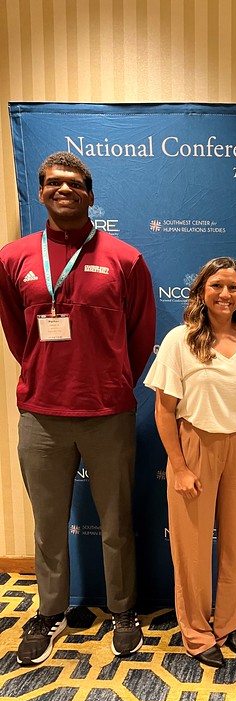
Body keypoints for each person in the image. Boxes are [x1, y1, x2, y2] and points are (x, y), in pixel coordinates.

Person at [0, 151, 156, 665]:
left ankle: (123, 610)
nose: (62, 189)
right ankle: (49, 613)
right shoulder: (14, 257)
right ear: (41, 193)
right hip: (42, 416)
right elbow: (18, 334)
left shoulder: (125, 259)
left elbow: (139, 337)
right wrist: (47, 377)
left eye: (72, 183)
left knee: (116, 521)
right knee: (48, 524)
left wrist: (109, 383)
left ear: (90, 194)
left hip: (107, 413)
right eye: (51, 183)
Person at [145, 257, 236, 669]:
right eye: (217, 285)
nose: (225, 294)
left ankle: (233, 620)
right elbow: (164, 411)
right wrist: (179, 467)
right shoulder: (178, 341)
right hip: (194, 447)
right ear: (202, 290)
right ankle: (198, 633)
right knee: (193, 550)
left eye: (233, 287)